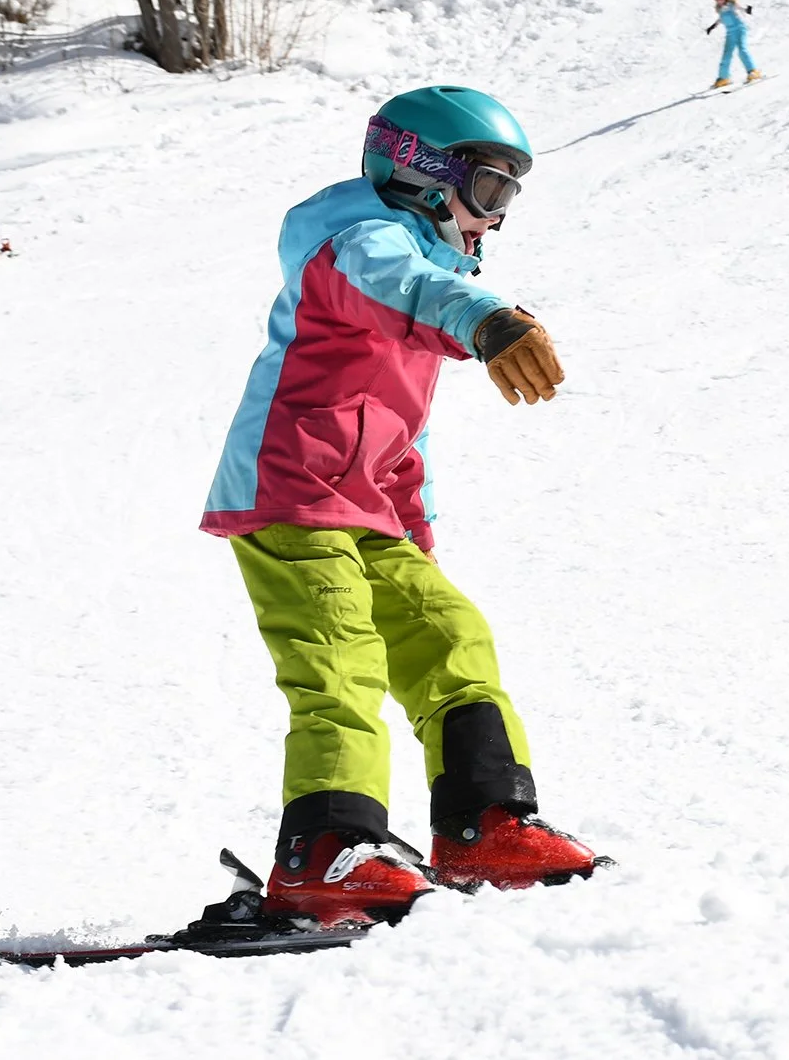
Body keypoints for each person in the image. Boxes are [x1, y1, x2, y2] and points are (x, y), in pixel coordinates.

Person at [200, 84, 603, 928]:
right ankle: (327, 849)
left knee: (451, 633)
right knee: (340, 657)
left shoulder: (425, 270)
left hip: (368, 504)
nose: (493, 218)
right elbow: (400, 281)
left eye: (507, 199)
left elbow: (398, 434)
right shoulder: (356, 243)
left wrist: (416, 533)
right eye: (488, 190)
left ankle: (483, 822)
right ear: (423, 172)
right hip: (289, 487)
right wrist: (484, 315)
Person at [705, 0, 763, 89]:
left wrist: (747, 10)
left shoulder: (732, 4)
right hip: (730, 33)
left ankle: (753, 71)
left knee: (742, 50)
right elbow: (721, 18)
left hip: (740, 29)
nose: (718, 0)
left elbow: (741, 8)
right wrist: (713, 26)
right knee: (726, 55)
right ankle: (724, 78)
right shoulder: (720, 8)